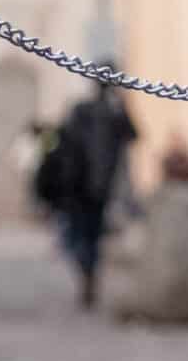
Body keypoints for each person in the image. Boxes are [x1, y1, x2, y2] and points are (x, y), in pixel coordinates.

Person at [37, 84, 137, 309]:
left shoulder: (101, 112)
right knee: (85, 235)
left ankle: (87, 271)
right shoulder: (94, 111)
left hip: (91, 188)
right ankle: (87, 271)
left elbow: (132, 135)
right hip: (86, 186)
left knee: (86, 235)